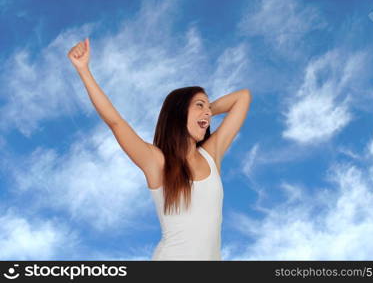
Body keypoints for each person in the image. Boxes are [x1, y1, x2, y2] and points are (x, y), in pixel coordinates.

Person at [67, 37, 252, 260]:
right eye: (199, 105)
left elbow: (243, 97)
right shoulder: (157, 162)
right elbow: (116, 123)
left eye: (208, 108)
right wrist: (83, 70)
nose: (207, 113)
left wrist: (204, 112)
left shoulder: (211, 155)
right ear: (178, 112)